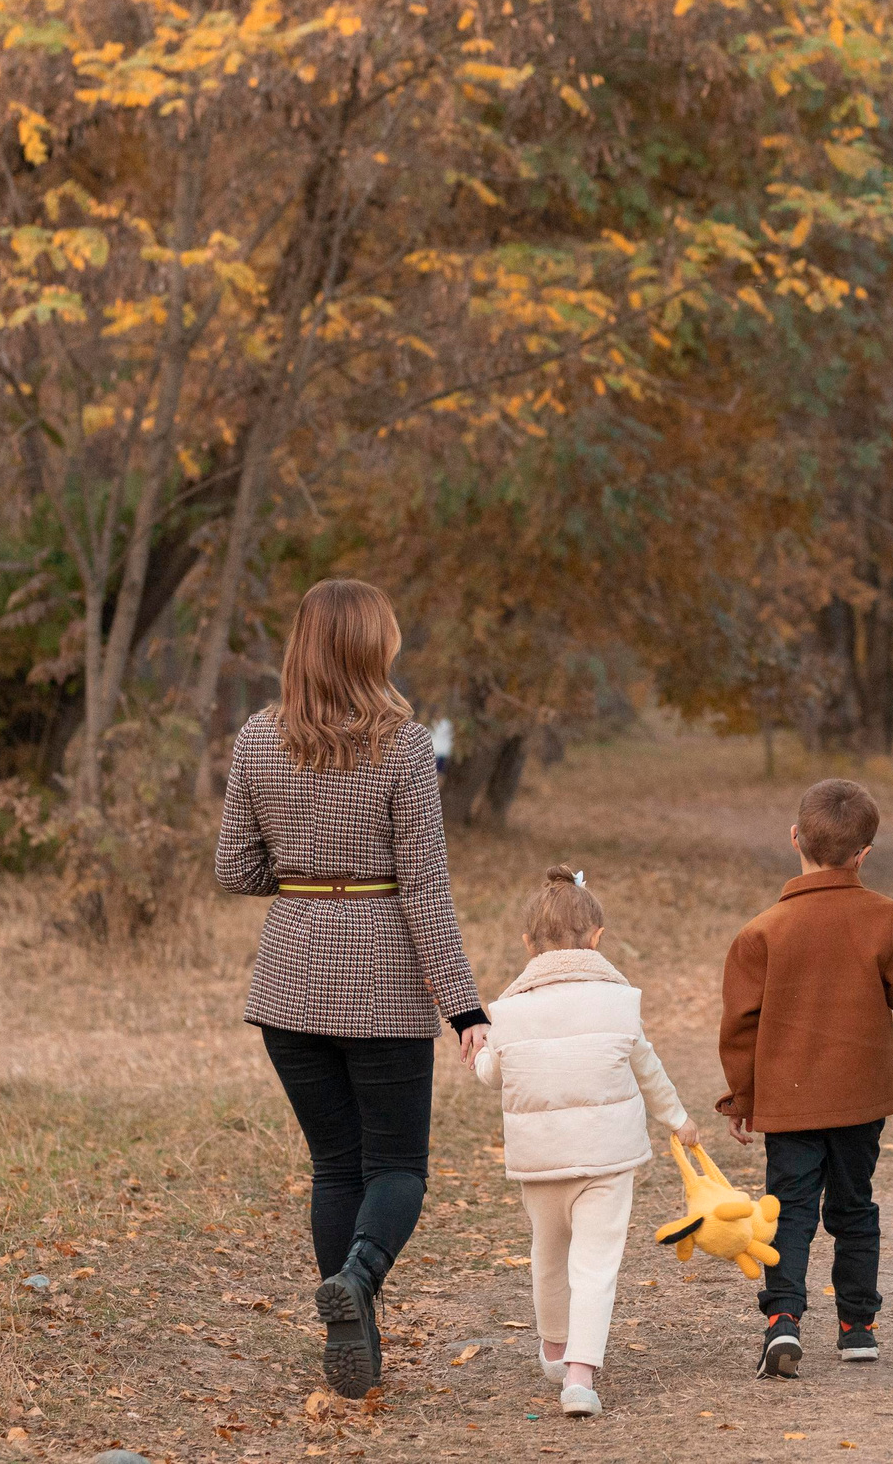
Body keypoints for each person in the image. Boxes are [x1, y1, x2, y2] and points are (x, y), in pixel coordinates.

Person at [213, 578, 490, 1399]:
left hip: (288, 978)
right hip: (380, 978)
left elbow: (234, 868)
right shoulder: (403, 746)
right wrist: (465, 1005)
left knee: (336, 1164)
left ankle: (355, 1331)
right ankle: (360, 1279)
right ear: (372, 647)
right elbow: (425, 890)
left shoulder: (257, 739)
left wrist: (300, 879)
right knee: (398, 1164)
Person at [717, 778, 893, 1379]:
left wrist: (743, 1099)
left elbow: (740, 1027)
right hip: (861, 1100)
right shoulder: (886, 920)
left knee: (790, 1210)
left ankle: (782, 1321)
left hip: (789, 1104)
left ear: (796, 838)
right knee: (855, 1208)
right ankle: (858, 1327)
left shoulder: (760, 933)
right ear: (864, 854)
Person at [474, 865, 699, 1418]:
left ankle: (554, 1346)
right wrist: (678, 1120)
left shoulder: (507, 1010)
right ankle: (580, 1375)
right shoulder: (618, 1002)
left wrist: (480, 1050)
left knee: (548, 1254)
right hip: (606, 1158)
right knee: (596, 1264)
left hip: (540, 1161)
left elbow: (492, 1074)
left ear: (528, 943)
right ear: (596, 939)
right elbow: (647, 1068)